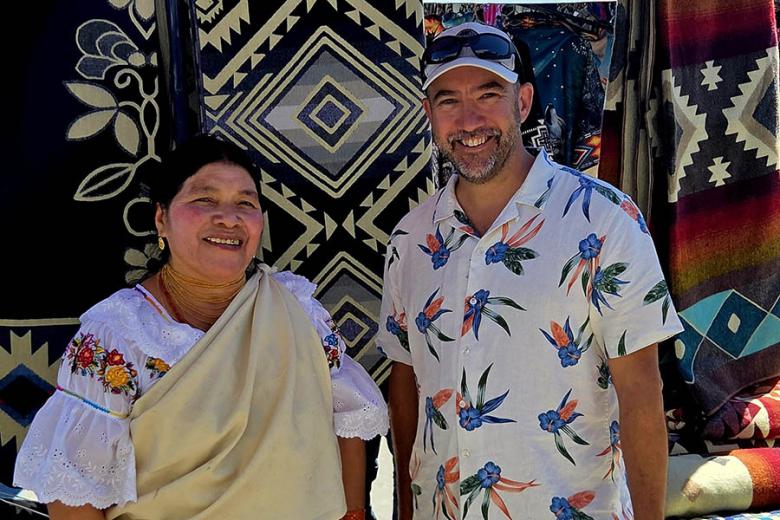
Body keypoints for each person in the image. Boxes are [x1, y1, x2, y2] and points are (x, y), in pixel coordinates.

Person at [377, 22, 684, 520]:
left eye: (488, 93)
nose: (469, 119)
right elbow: (406, 381)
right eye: (448, 100)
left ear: (522, 102)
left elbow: (641, 392)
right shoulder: (410, 241)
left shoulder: (603, 220)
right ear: (429, 115)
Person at [14, 135, 388, 520]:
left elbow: (348, 416)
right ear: (162, 218)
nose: (229, 218)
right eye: (204, 200)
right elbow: (73, 488)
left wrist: (353, 513)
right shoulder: (118, 337)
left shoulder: (297, 311)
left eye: (246, 203)